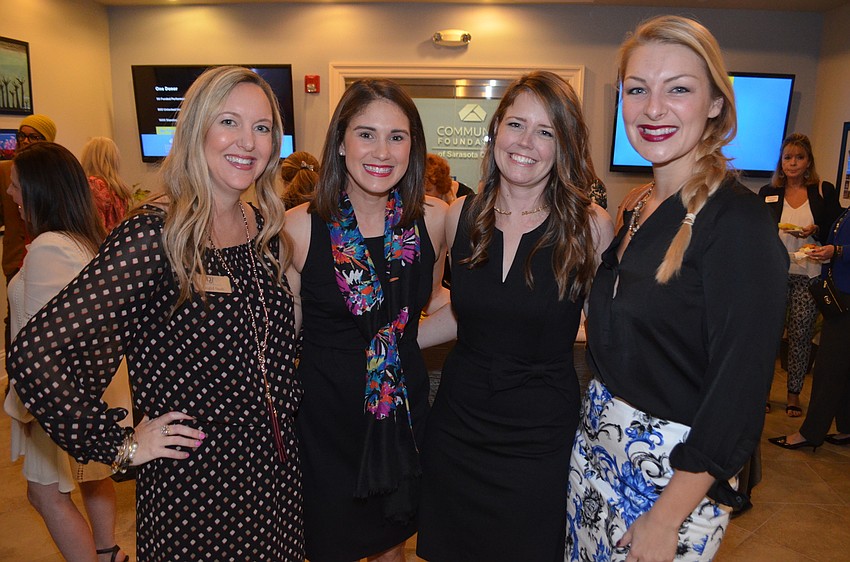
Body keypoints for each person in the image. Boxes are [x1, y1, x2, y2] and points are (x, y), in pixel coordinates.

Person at [8, 65, 304, 560]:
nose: (248, 142)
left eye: (262, 128)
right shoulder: (155, 235)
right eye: (228, 121)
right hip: (197, 490)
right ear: (194, 130)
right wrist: (120, 445)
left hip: (274, 478)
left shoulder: (263, 229)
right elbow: (36, 356)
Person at [565, 16, 788, 562]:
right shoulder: (641, 206)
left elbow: (738, 395)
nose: (653, 109)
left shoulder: (736, 224)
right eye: (638, 90)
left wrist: (666, 517)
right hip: (595, 458)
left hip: (668, 484)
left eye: (679, 89)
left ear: (715, 102)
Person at [415, 70, 614, 562]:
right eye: (516, 124)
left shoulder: (589, 226)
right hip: (458, 427)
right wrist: (389, 343)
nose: (526, 142)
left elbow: (610, 338)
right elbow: (469, 315)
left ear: (564, 145)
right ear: (496, 130)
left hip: (539, 437)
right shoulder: (464, 214)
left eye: (546, 131)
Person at [284, 79, 448, 562]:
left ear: (413, 147)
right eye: (366, 134)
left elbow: (430, 307)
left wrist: (494, 314)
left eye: (397, 137)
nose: (382, 151)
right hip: (325, 424)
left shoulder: (432, 220)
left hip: (400, 416)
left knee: (391, 548)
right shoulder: (297, 227)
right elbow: (284, 337)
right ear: (340, 141)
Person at [3, 142, 131, 562]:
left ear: (40, 191)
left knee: (44, 495)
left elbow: (43, 347)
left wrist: (30, 408)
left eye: (16, 186)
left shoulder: (49, 249)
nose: (10, 195)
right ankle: (107, 552)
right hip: (83, 395)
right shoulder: (80, 241)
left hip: (59, 400)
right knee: (91, 478)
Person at [758, 133, 842, 417]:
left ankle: (793, 395)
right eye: (787, 158)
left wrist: (815, 230)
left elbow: (834, 228)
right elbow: (759, 232)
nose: (793, 163)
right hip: (774, 273)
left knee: (801, 335)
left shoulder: (823, 191)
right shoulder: (768, 192)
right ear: (781, 163)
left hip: (809, 274)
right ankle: (763, 393)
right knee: (768, 335)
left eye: (799, 157)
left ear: (808, 162)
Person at [769, 207, 850, 450]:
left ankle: (810, 433)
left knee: (829, 368)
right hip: (841, 293)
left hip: (848, 297)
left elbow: (841, 248)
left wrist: (837, 251)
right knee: (843, 368)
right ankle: (846, 428)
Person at [0, 114, 57, 364]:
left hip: (48, 256)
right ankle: (15, 379)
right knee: (14, 318)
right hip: (16, 259)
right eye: (21, 135)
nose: (24, 141)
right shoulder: (5, 170)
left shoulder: (54, 173)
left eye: (33, 136)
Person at [81, 136, 135, 232]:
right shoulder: (120, 189)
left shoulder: (92, 184)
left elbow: (93, 226)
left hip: (97, 244)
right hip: (116, 244)